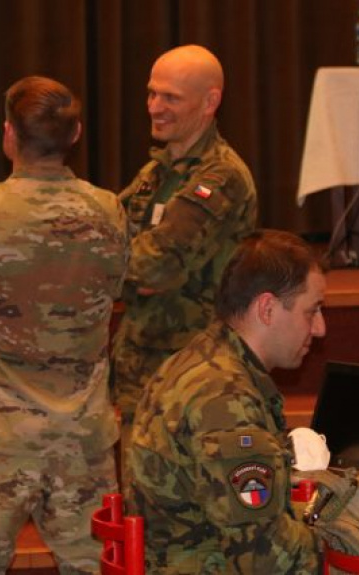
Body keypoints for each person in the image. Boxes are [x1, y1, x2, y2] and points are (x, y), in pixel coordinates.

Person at [0, 75, 129, 574]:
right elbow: (118, 287)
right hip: (82, 437)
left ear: (8, 134)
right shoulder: (109, 212)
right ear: (75, 133)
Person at [126, 229, 323, 574]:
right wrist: (339, 532)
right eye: (312, 311)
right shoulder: (225, 398)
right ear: (267, 309)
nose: (320, 328)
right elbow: (263, 559)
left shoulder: (201, 360)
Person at [111, 45, 258, 458]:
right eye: (151, 93)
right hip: (142, 368)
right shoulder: (156, 172)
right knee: (136, 489)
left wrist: (123, 269)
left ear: (210, 102)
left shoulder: (221, 175)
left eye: (170, 98)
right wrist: (127, 268)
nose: (154, 107)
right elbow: (107, 236)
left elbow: (155, 267)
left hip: (192, 376)